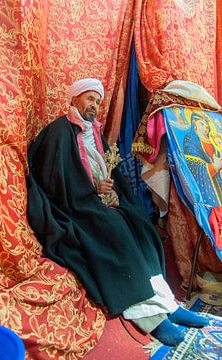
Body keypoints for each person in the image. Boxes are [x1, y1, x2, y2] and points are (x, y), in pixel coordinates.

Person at [27, 78, 208, 347]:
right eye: (89, 99)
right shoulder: (58, 132)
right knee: (118, 232)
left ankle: (167, 304)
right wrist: (91, 191)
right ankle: (151, 318)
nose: (94, 106)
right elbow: (56, 183)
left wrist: (114, 193)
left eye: (98, 102)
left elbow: (113, 174)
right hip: (76, 207)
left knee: (141, 226)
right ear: (75, 99)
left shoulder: (96, 133)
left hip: (98, 201)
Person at [183, 113, 222, 206]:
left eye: (207, 127)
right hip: (208, 188)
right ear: (194, 123)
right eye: (202, 124)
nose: (205, 128)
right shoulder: (191, 140)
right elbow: (192, 166)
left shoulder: (213, 140)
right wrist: (213, 167)